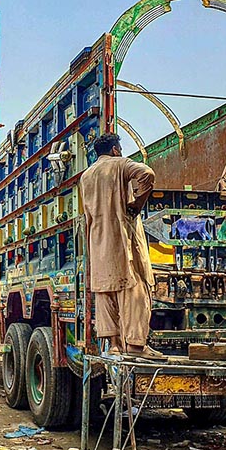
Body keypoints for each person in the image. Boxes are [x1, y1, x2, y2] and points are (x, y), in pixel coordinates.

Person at [79, 133, 163, 360]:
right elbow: (147, 174)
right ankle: (136, 346)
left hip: (97, 242)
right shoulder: (120, 164)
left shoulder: (86, 176)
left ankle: (114, 345)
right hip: (122, 240)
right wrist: (137, 203)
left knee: (105, 292)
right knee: (135, 291)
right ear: (115, 150)